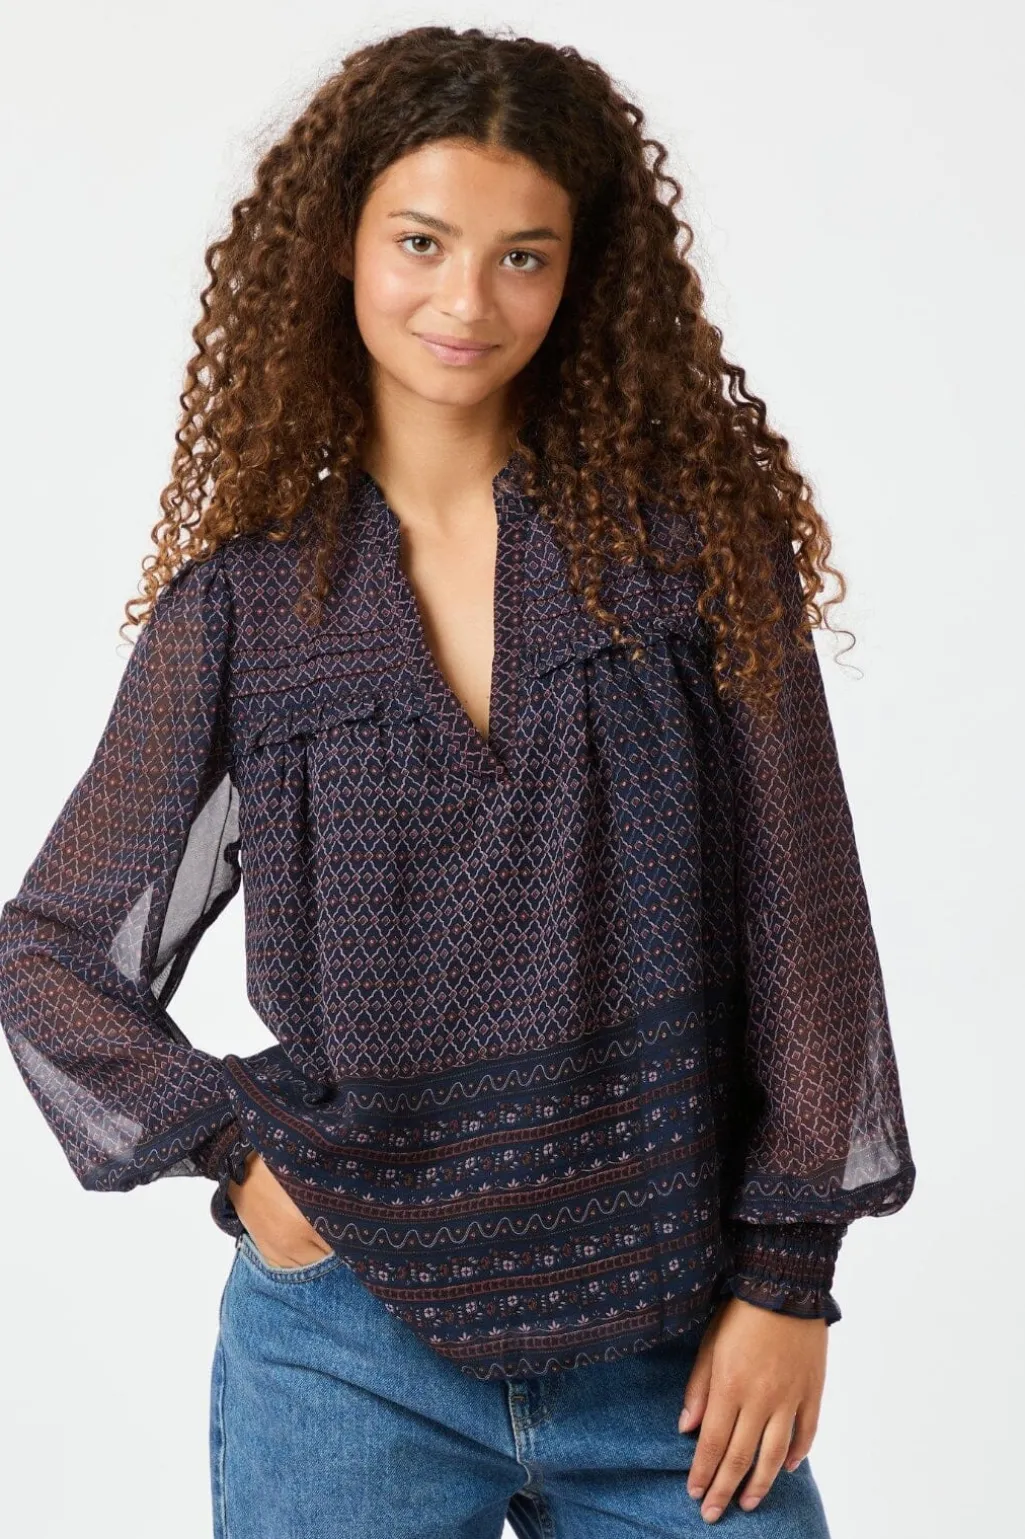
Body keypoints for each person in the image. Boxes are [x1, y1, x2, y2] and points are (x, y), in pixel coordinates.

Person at [0, 23, 916, 1539]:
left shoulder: (688, 554)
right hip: (343, 1356)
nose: (465, 300)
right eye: (421, 241)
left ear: (582, 275)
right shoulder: (247, 609)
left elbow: (806, 933)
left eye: (523, 256)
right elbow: (50, 947)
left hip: (681, 1350)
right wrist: (241, 1154)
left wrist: (788, 1278)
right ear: (340, 245)